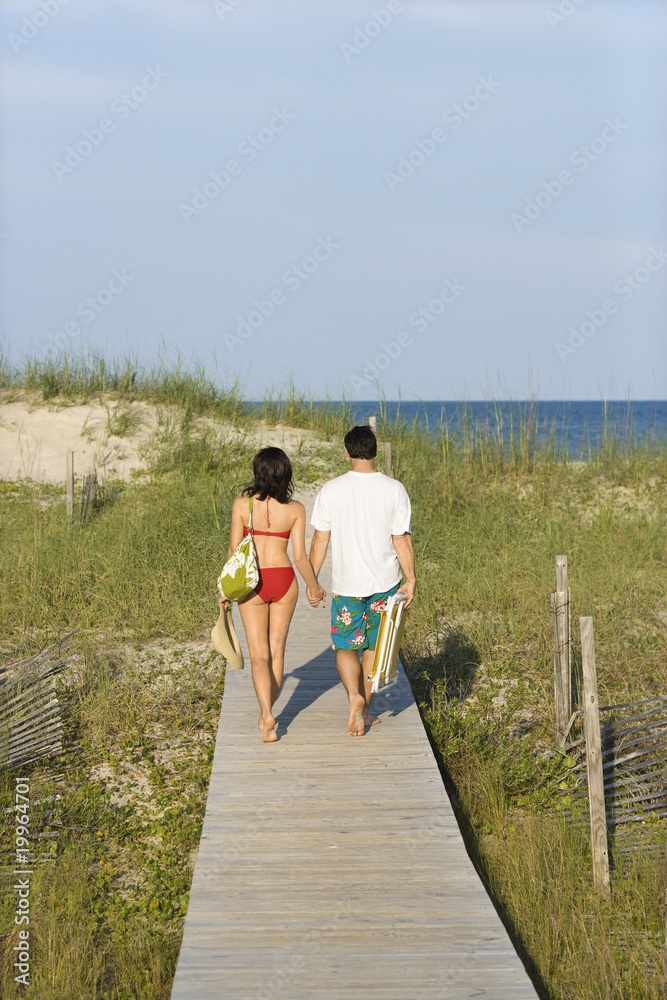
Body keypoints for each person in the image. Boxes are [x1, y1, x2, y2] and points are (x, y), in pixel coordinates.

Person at [307, 425, 416, 737]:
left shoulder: (331, 490)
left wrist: (313, 582)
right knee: (373, 647)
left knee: (345, 646)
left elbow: (319, 541)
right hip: (386, 583)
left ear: (347, 452)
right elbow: (401, 539)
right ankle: (365, 709)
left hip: (346, 586)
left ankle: (353, 696)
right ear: (376, 451)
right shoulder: (394, 489)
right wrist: (411, 579)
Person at [219, 447, 325, 743]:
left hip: (252, 582)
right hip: (284, 580)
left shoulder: (242, 504)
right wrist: (314, 587)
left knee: (258, 655)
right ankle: (267, 713)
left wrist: (225, 589)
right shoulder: (296, 509)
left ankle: (267, 715)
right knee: (277, 651)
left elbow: (233, 550)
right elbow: (301, 557)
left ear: (258, 471)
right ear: (286, 474)